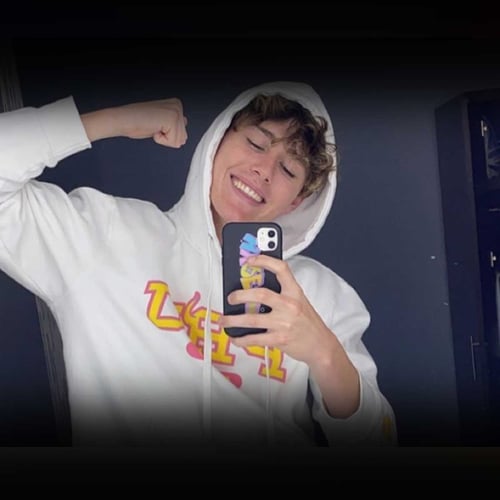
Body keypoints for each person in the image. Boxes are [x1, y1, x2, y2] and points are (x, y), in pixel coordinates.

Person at [0, 81, 397, 448]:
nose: (264, 171)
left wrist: (324, 353)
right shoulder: (104, 234)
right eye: (257, 143)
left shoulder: (318, 293)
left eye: (289, 169)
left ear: (297, 201)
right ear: (217, 140)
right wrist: (109, 121)